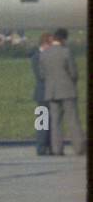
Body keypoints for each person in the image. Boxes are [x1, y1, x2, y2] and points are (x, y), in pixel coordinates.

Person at [40, 28, 85, 156]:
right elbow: (73, 72)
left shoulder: (44, 54)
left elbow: (42, 74)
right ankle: (79, 147)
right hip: (67, 90)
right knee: (72, 120)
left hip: (51, 91)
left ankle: (57, 149)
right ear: (64, 39)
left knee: (55, 122)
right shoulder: (66, 52)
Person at [31, 32, 53, 155]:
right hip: (42, 93)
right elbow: (40, 75)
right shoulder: (37, 57)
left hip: (50, 92)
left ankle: (49, 146)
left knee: (51, 122)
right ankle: (41, 147)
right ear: (45, 44)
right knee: (42, 122)